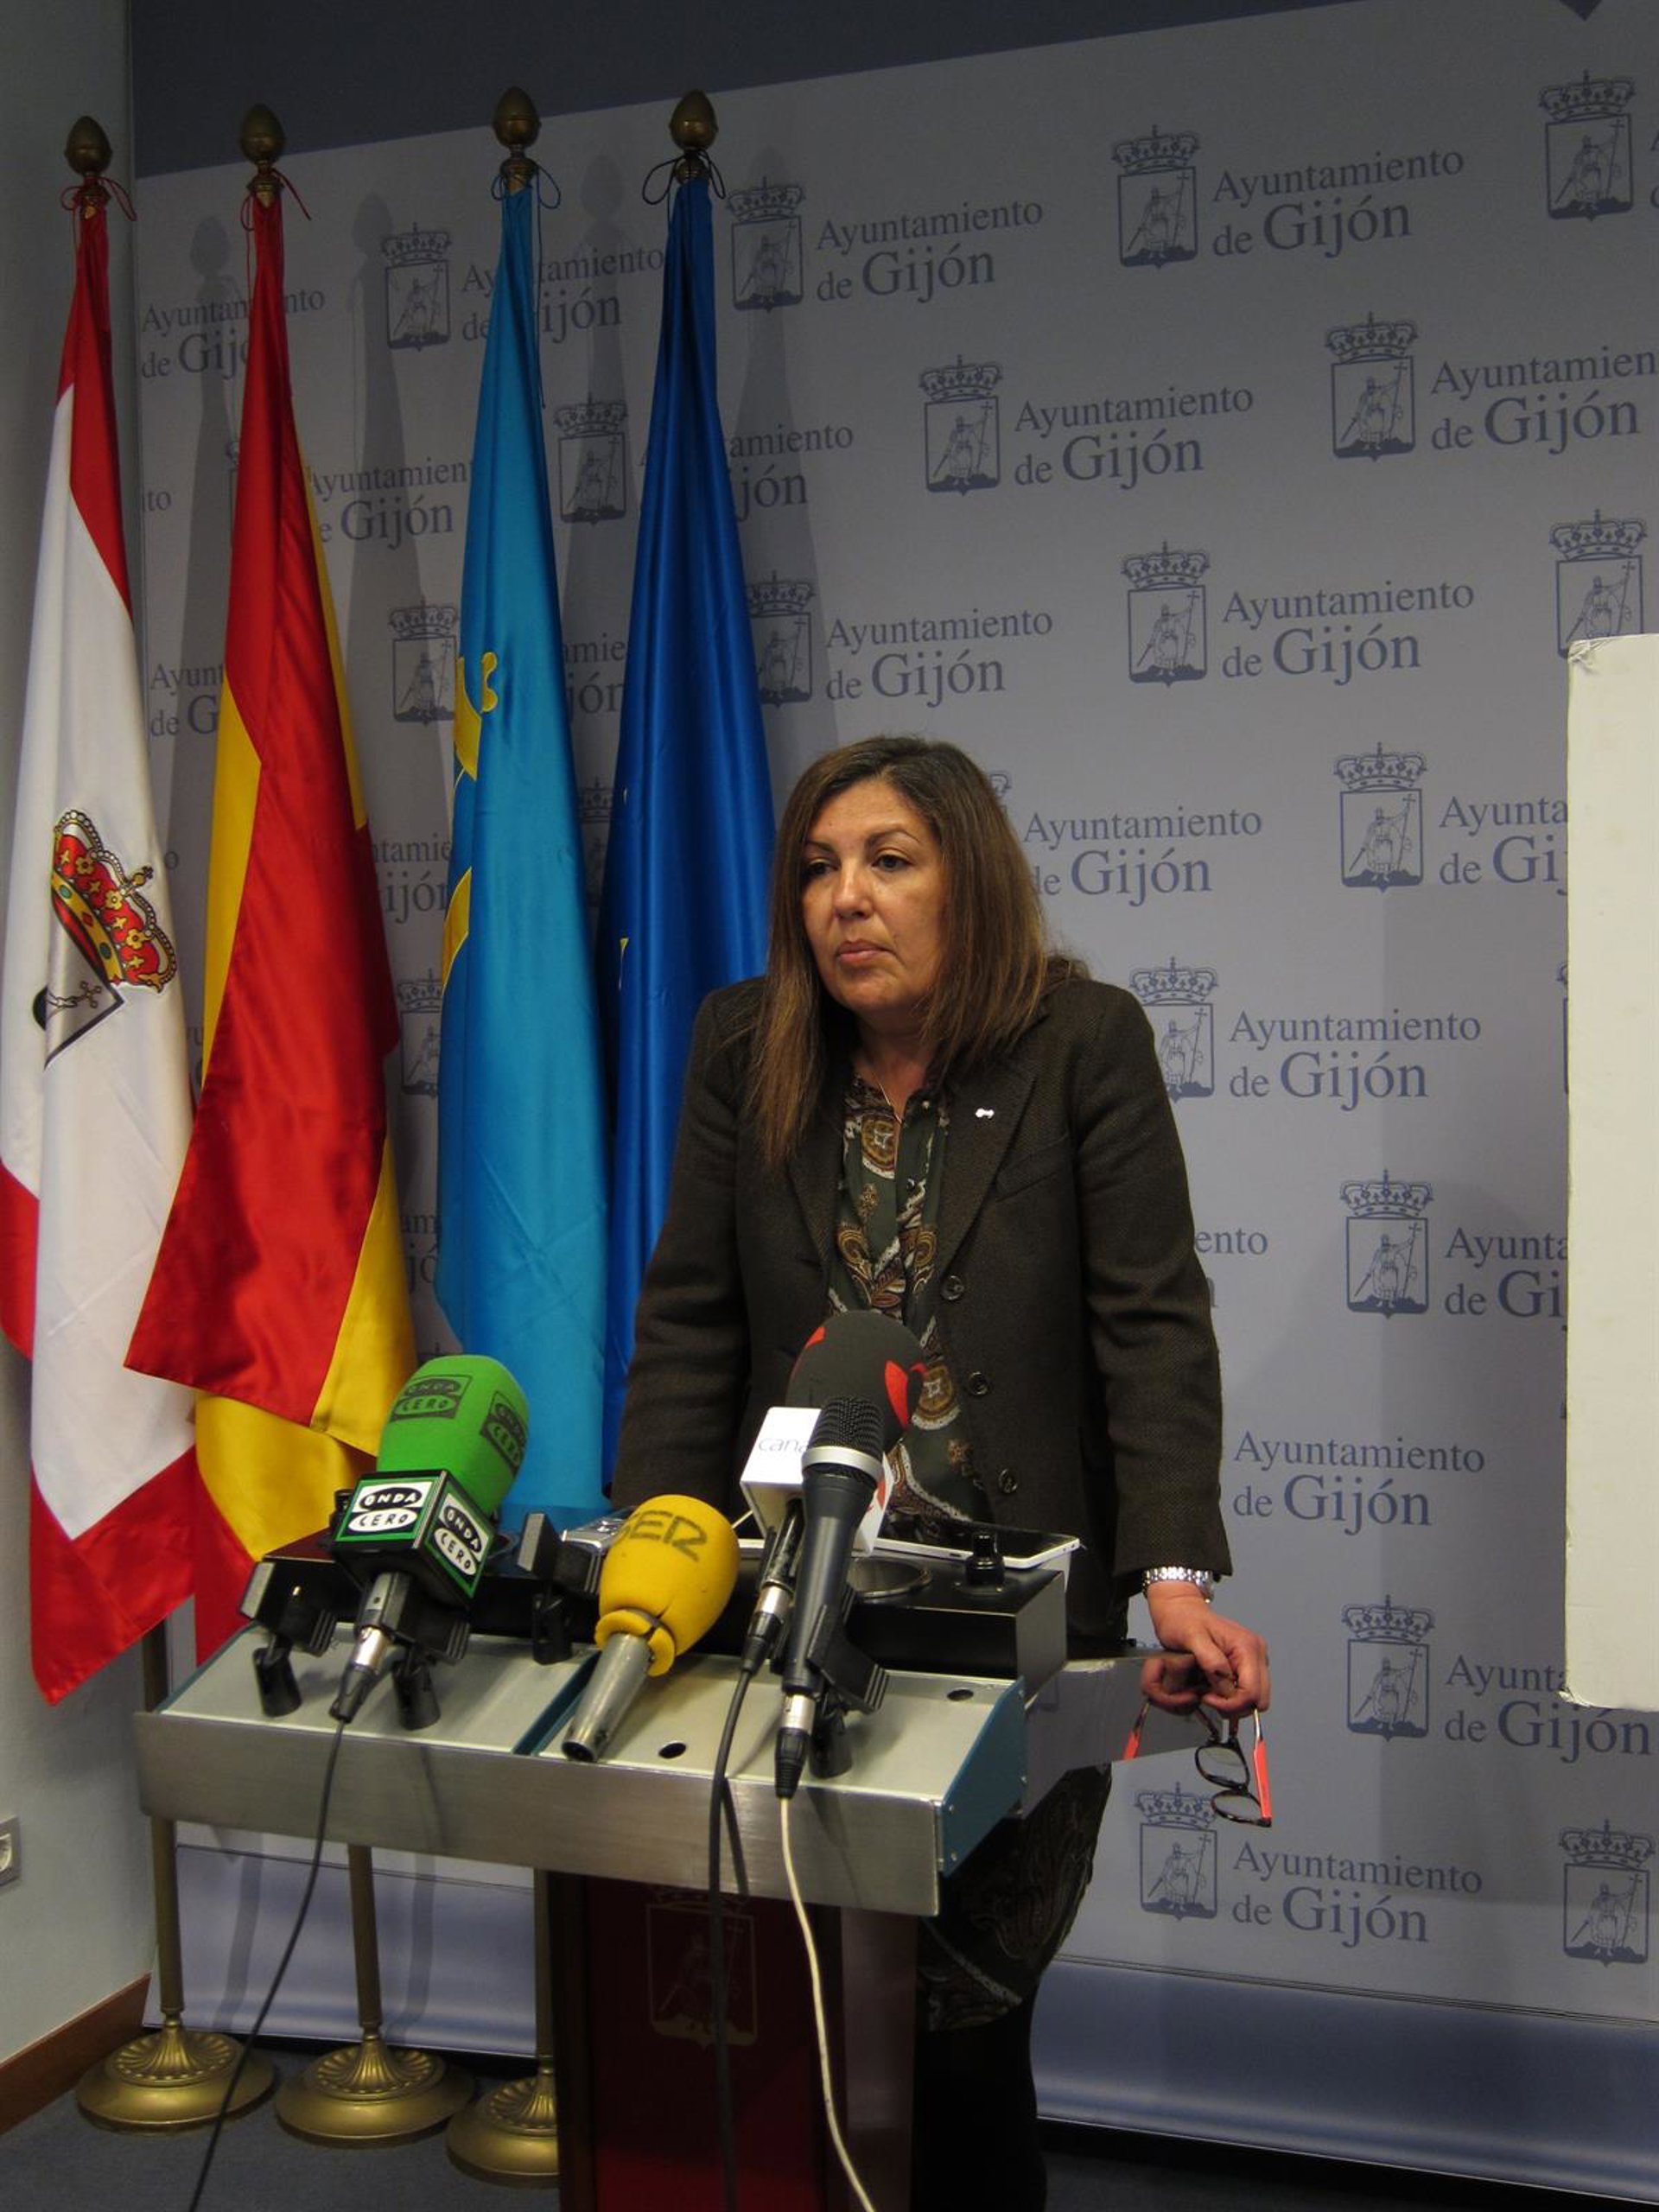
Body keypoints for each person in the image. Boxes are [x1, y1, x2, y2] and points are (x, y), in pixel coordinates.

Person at [609, 733, 1269, 2210]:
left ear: (968, 879)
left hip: (1020, 1626)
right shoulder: (744, 1045)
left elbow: (1151, 1325)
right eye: (818, 867)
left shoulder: (1082, 1042)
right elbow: (693, 1322)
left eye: (888, 861)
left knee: (963, 2034)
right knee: (801, 2014)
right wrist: (655, 1543)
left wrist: (1173, 1577)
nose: (846, 897)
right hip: (800, 1610)